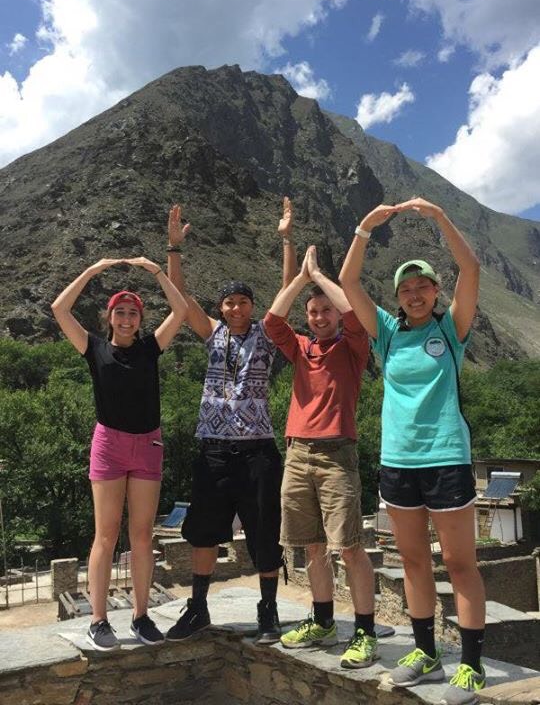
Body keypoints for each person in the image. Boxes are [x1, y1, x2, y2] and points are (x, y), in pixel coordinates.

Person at [339, 198, 485, 705]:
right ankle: (425, 652)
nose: (415, 294)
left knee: (461, 565)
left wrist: (440, 218)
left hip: (446, 459)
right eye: (406, 288)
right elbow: (350, 283)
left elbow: (472, 267)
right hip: (398, 462)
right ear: (397, 298)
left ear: (435, 291)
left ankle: (469, 665)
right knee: (413, 560)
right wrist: (363, 228)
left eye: (423, 285)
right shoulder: (387, 333)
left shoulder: (451, 330)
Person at [165, 199, 296, 644]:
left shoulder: (267, 334)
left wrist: (286, 240)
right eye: (229, 302)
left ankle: (268, 608)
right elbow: (181, 298)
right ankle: (198, 607)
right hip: (214, 449)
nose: (236, 308)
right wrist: (174, 248)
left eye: (243, 302)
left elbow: (288, 289)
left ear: (252, 306)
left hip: (258, 449)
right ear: (220, 308)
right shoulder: (212, 333)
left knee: (263, 533)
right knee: (204, 529)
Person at [51, 257, 188, 651]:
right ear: (109, 318)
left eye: (133, 313)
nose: (126, 319)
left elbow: (181, 309)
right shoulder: (93, 348)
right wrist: (93, 271)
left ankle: (141, 617)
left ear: (140, 320)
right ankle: (98, 620)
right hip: (109, 444)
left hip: (148, 444)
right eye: (120, 313)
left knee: (142, 536)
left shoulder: (150, 348)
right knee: (106, 535)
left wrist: (157, 271)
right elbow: (60, 309)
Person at [263, 245, 378, 669]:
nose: (319, 317)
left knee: (348, 546)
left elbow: (354, 316)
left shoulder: (353, 348)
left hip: (336, 455)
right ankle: (324, 621)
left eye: (325, 311)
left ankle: (364, 632)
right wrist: (301, 280)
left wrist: (321, 277)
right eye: (313, 313)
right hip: (296, 453)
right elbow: (272, 321)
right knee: (311, 547)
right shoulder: (301, 349)